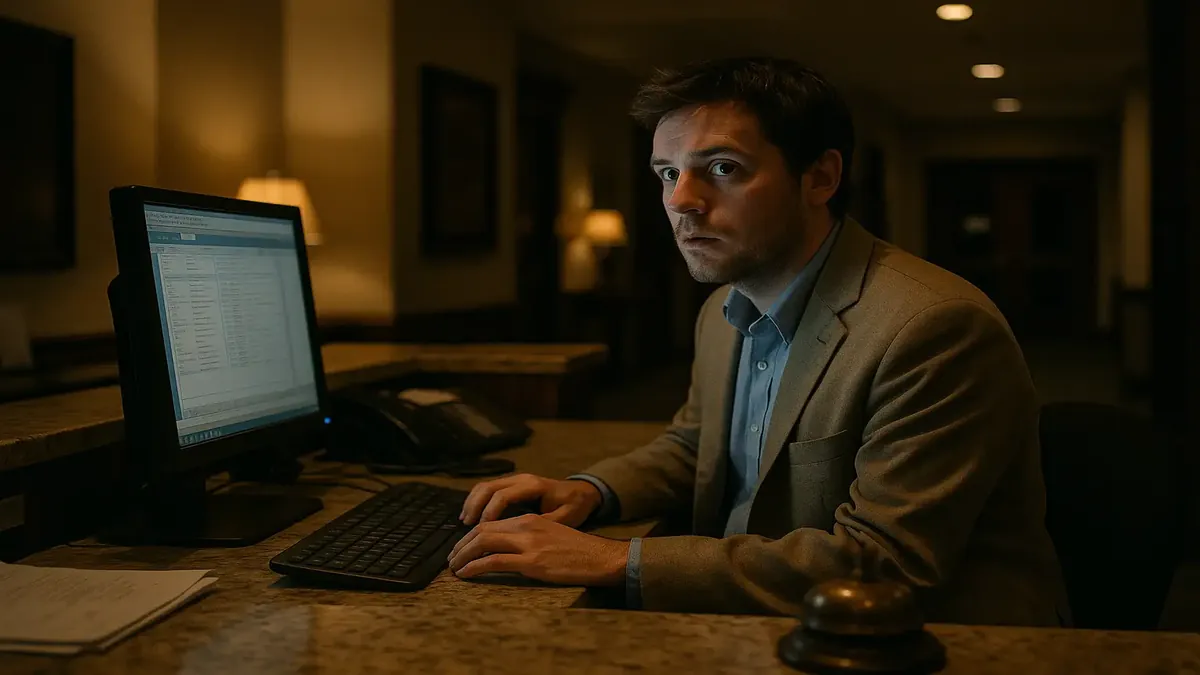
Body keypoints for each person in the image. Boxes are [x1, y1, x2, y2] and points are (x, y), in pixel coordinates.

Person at [447, 57, 1068, 626]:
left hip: (931, 640)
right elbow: (698, 446)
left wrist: (617, 560)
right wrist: (590, 490)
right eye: (668, 173)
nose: (681, 201)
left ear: (820, 177)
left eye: (723, 168)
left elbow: (884, 565)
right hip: (759, 622)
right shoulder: (722, 308)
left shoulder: (934, 327)